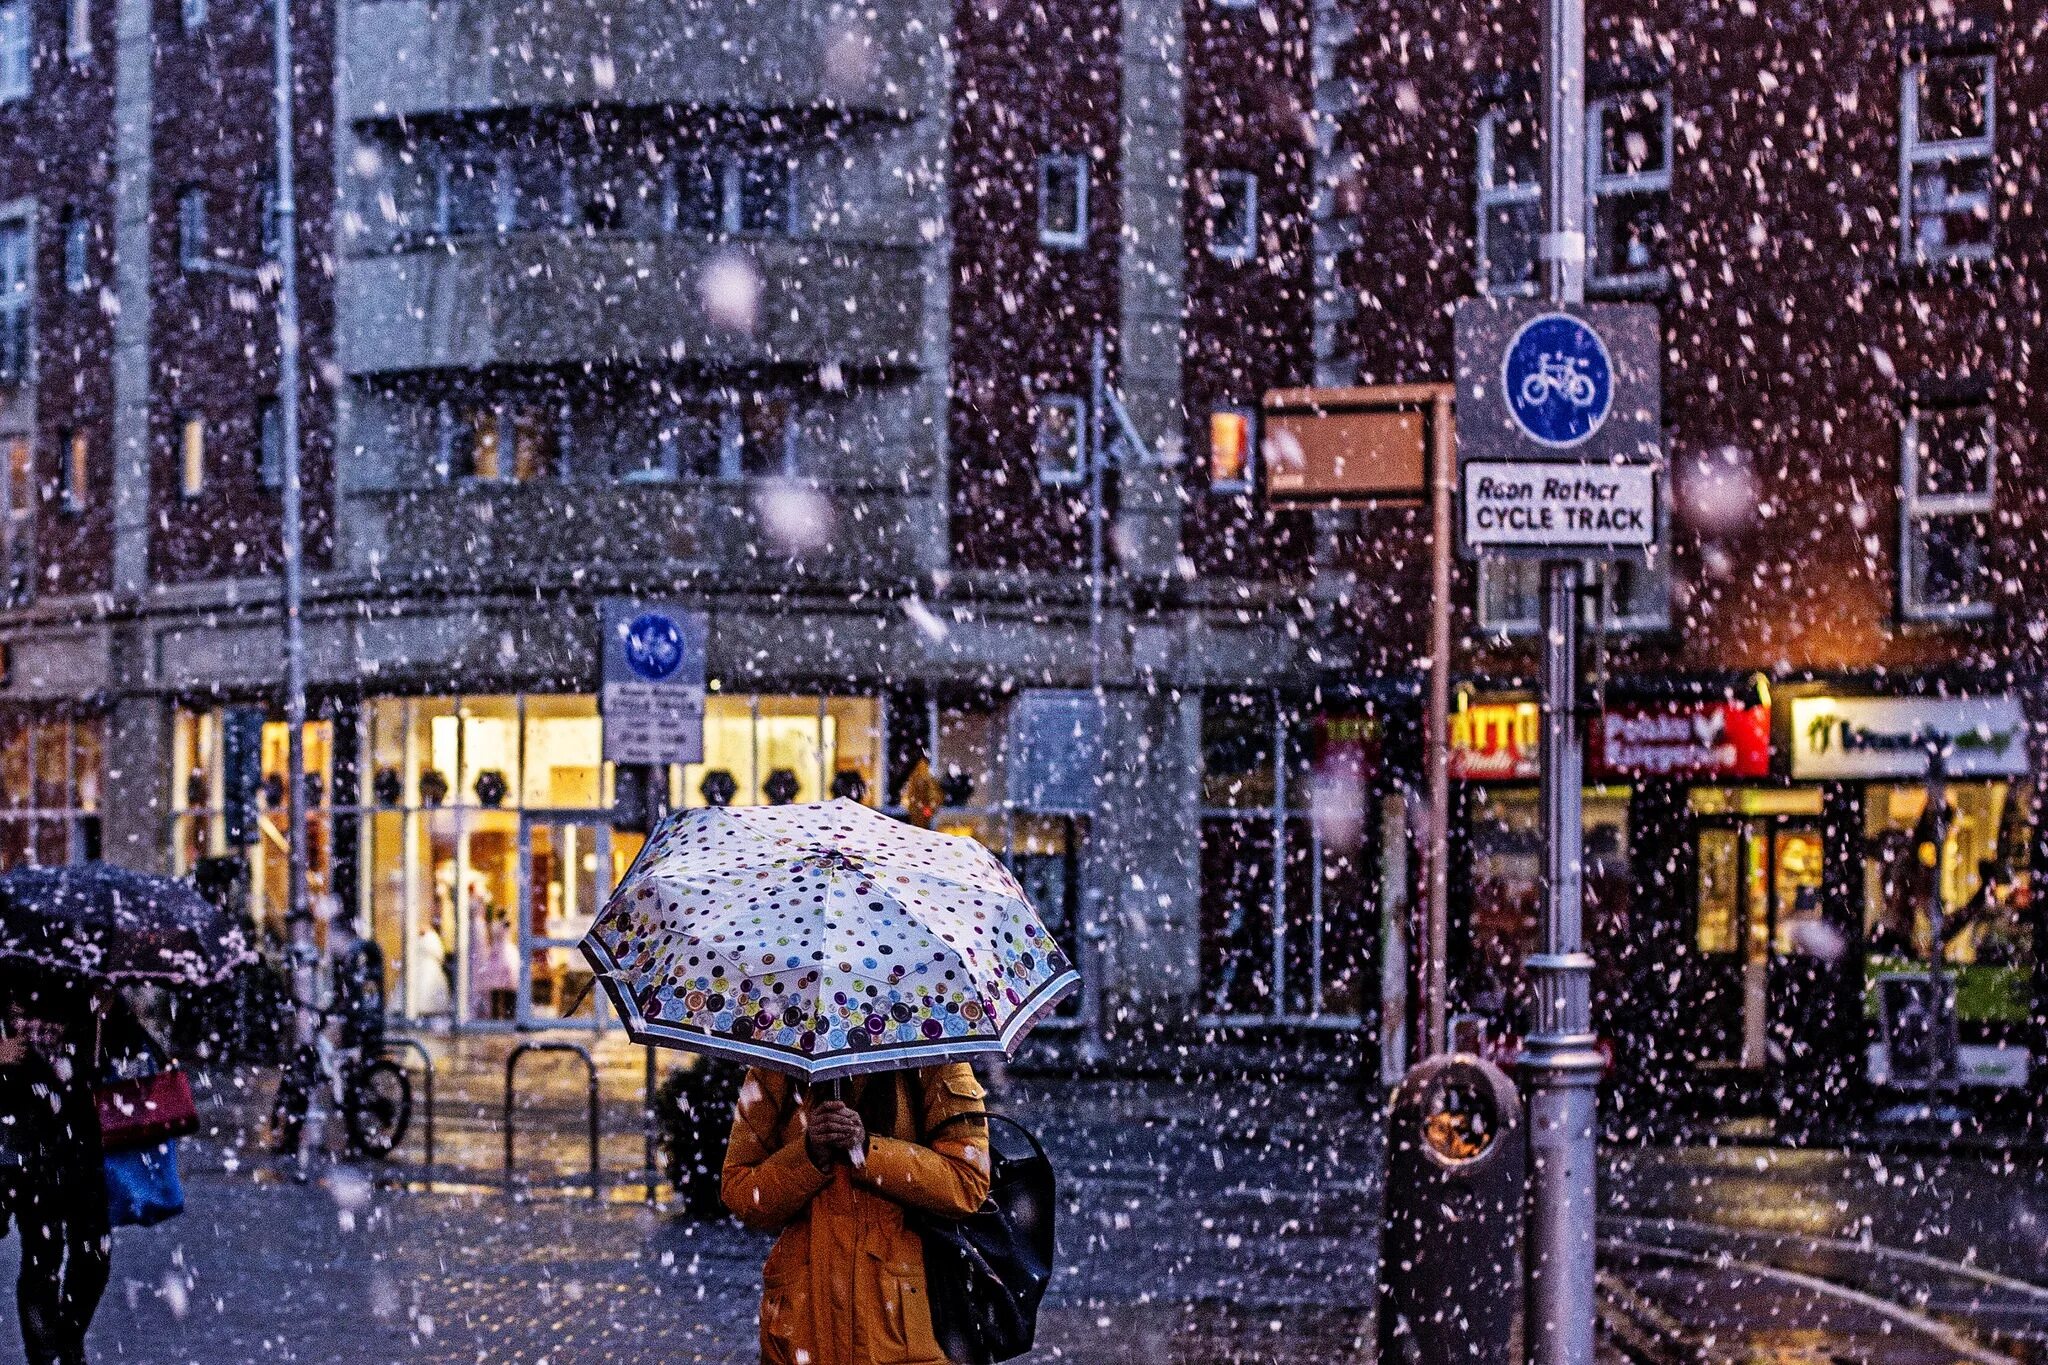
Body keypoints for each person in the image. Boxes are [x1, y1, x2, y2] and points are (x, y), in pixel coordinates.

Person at [723, 1064, 991, 1365]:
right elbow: (740, 1192)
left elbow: (967, 1183)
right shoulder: (778, 1064)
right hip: (801, 1323)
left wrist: (868, 1150)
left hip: (903, 1323)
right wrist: (809, 1154)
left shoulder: (935, 1053)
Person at [0, 971, 110, 1365]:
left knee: (95, 1253)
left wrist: (103, 1015)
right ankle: (47, 1356)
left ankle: (66, 1339)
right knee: (41, 1254)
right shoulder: (8, 959)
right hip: (25, 1132)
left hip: (78, 1134)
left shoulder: (83, 969)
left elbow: (113, 1056)